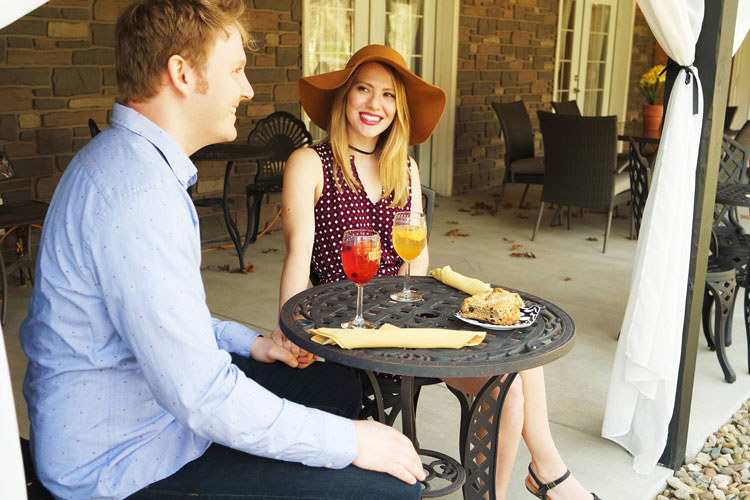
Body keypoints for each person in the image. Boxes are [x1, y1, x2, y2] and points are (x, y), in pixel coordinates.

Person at [19, 2, 424, 499]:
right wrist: (349, 442)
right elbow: (203, 398)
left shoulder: (133, 165)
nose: (248, 88)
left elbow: (159, 320)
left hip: (155, 412)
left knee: (333, 387)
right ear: (182, 74)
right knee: (388, 489)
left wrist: (251, 343)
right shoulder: (138, 197)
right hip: (123, 463)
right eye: (235, 69)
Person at [272, 44, 601, 500]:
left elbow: (415, 262)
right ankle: (549, 476)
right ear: (343, 97)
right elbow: (297, 253)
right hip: (351, 329)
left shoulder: (402, 166)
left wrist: (412, 297)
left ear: (398, 108)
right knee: (513, 378)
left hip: (407, 321)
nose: (375, 105)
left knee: (514, 366)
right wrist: (287, 328)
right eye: (363, 90)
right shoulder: (310, 163)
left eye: (388, 95)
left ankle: (510, 487)